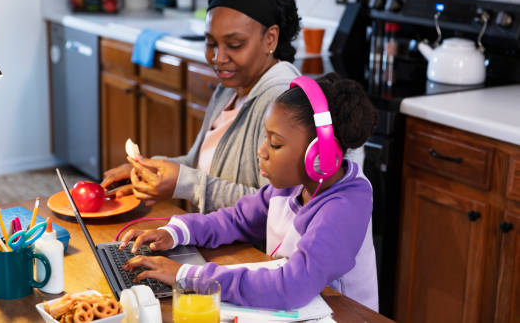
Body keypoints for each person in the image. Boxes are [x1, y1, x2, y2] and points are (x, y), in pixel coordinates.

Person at [119, 73, 380, 311]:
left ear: (319, 156)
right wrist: (175, 232)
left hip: (344, 315)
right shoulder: (292, 185)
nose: (262, 151)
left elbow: (291, 286)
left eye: (275, 144)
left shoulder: (346, 205)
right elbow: (237, 219)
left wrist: (187, 275)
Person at [102, 0, 302, 213]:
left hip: (252, 251)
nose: (218, 58)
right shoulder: (229, 88)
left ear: (270, 38)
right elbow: (201, 165)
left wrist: (183, 184)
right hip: (214, 237)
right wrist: (150, 169)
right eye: (210, 43)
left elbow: (276, 206)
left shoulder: (281, 100)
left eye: (235, 44)